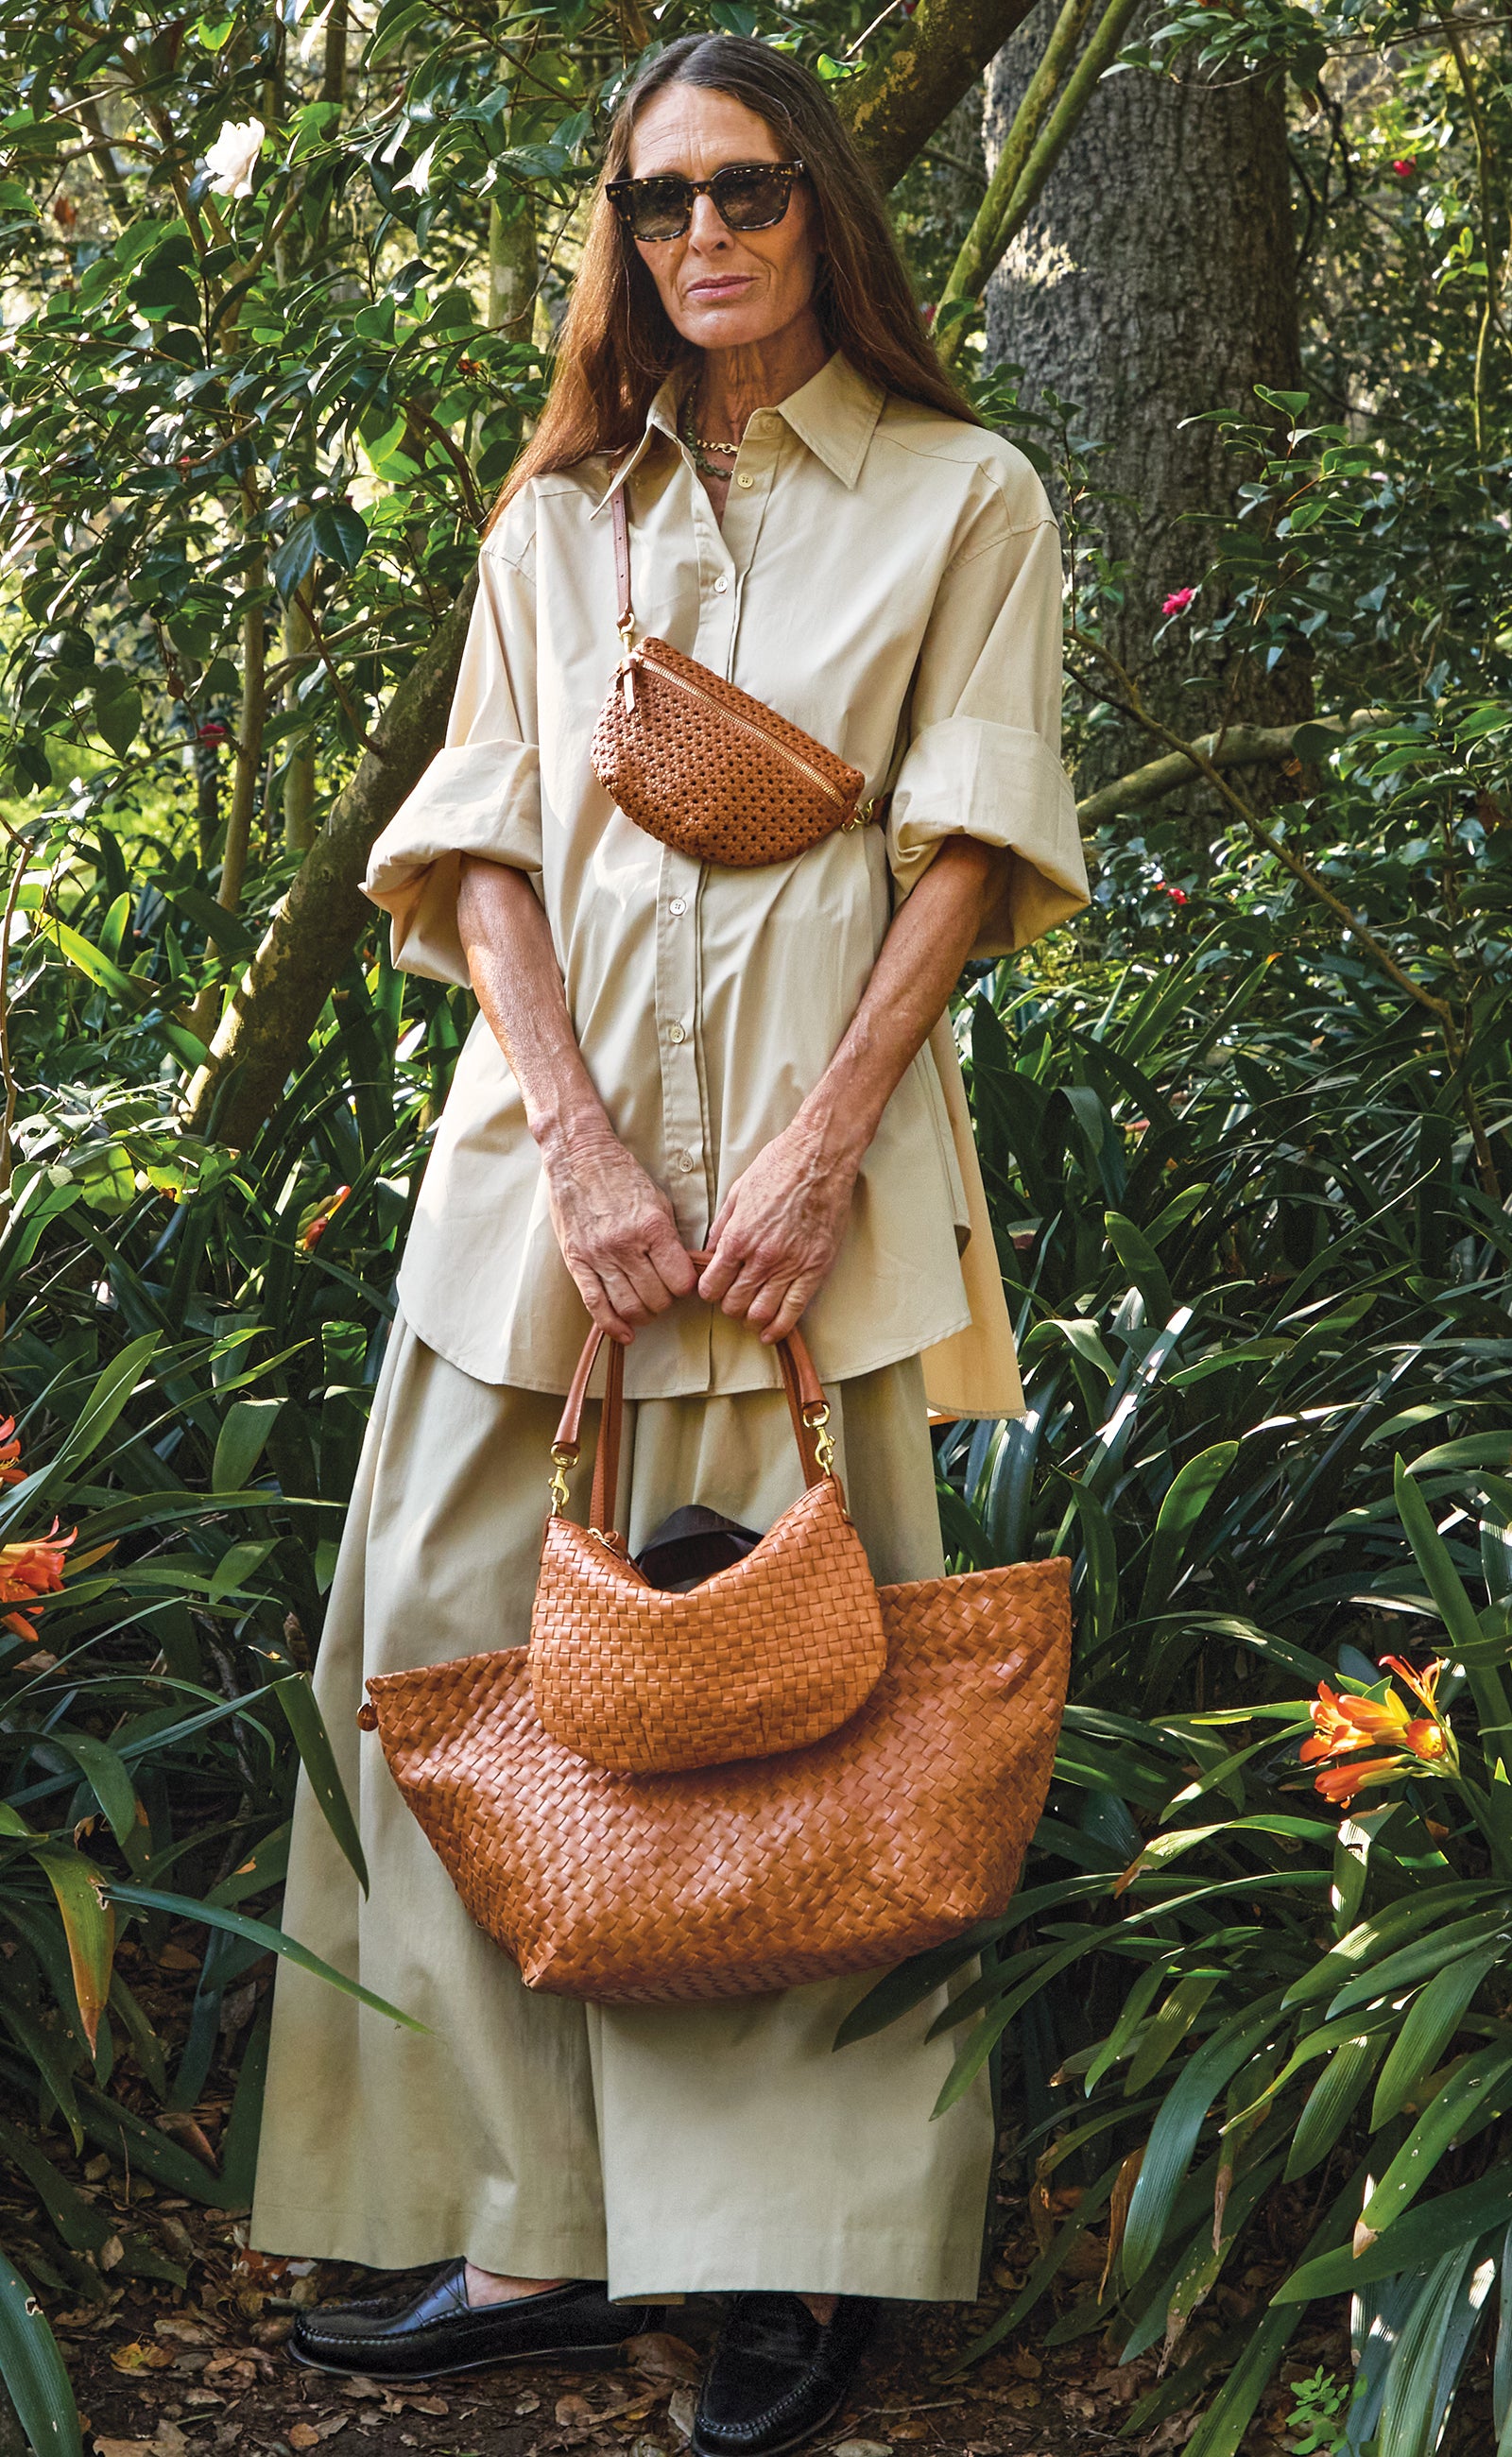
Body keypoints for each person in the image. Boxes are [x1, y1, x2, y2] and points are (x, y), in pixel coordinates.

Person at [250, 33, 1088, 2456]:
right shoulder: (559, 522)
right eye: (648, 205)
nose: (694, 237)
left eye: (739, 192)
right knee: (444, 1639)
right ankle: (525, 2221)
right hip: (555, 1176)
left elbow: (966, 858)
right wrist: (589, 1154)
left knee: (797, 1694)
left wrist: (820, 1147)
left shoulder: (965, 496)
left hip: (802, 1175)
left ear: (823, 205)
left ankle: (785, 2258)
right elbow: (485, 850)